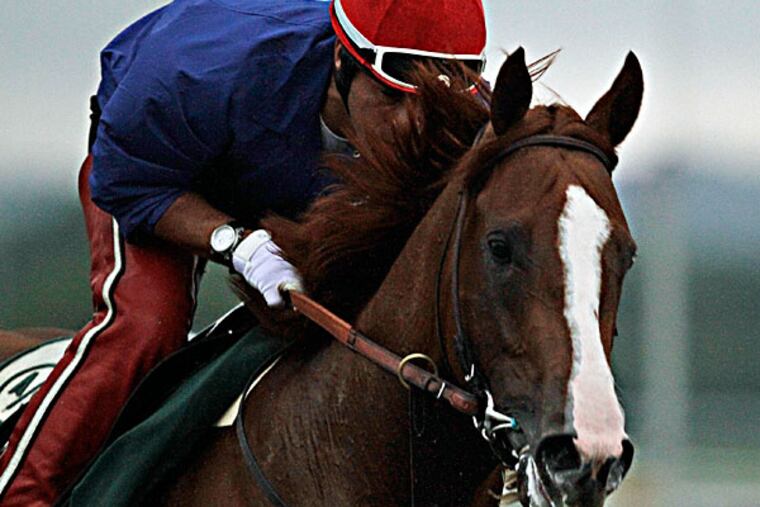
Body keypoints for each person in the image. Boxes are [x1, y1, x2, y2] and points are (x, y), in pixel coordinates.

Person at [0, 0, 487, 503]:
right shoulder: (194, 74)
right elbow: (122, 182)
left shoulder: (463, 114)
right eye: (389, 97)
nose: (410, 126)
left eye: (428, 104)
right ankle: (21, 492)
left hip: (294, 176)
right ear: (341, 62)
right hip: (157, 167)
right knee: (147, 326)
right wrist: (237, 242)